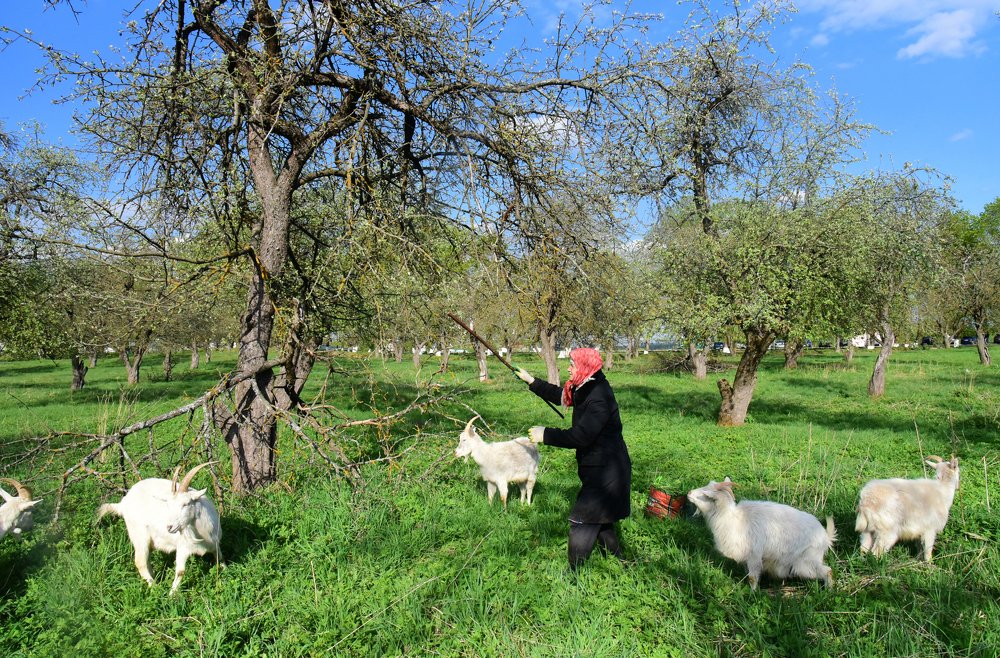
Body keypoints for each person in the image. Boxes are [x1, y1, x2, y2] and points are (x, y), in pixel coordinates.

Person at [515, 348, 632, 569]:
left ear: (585, 366)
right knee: (602, 520)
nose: (568, 368)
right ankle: (622, 563)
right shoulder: (586, 384)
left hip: (608, 472)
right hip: (599, 468)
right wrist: (531, 380)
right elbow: (562, 395)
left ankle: (574, 573)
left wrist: (545, 434)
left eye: (572, 364)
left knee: (582, 520)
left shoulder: (599, 397)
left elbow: (582, 436)